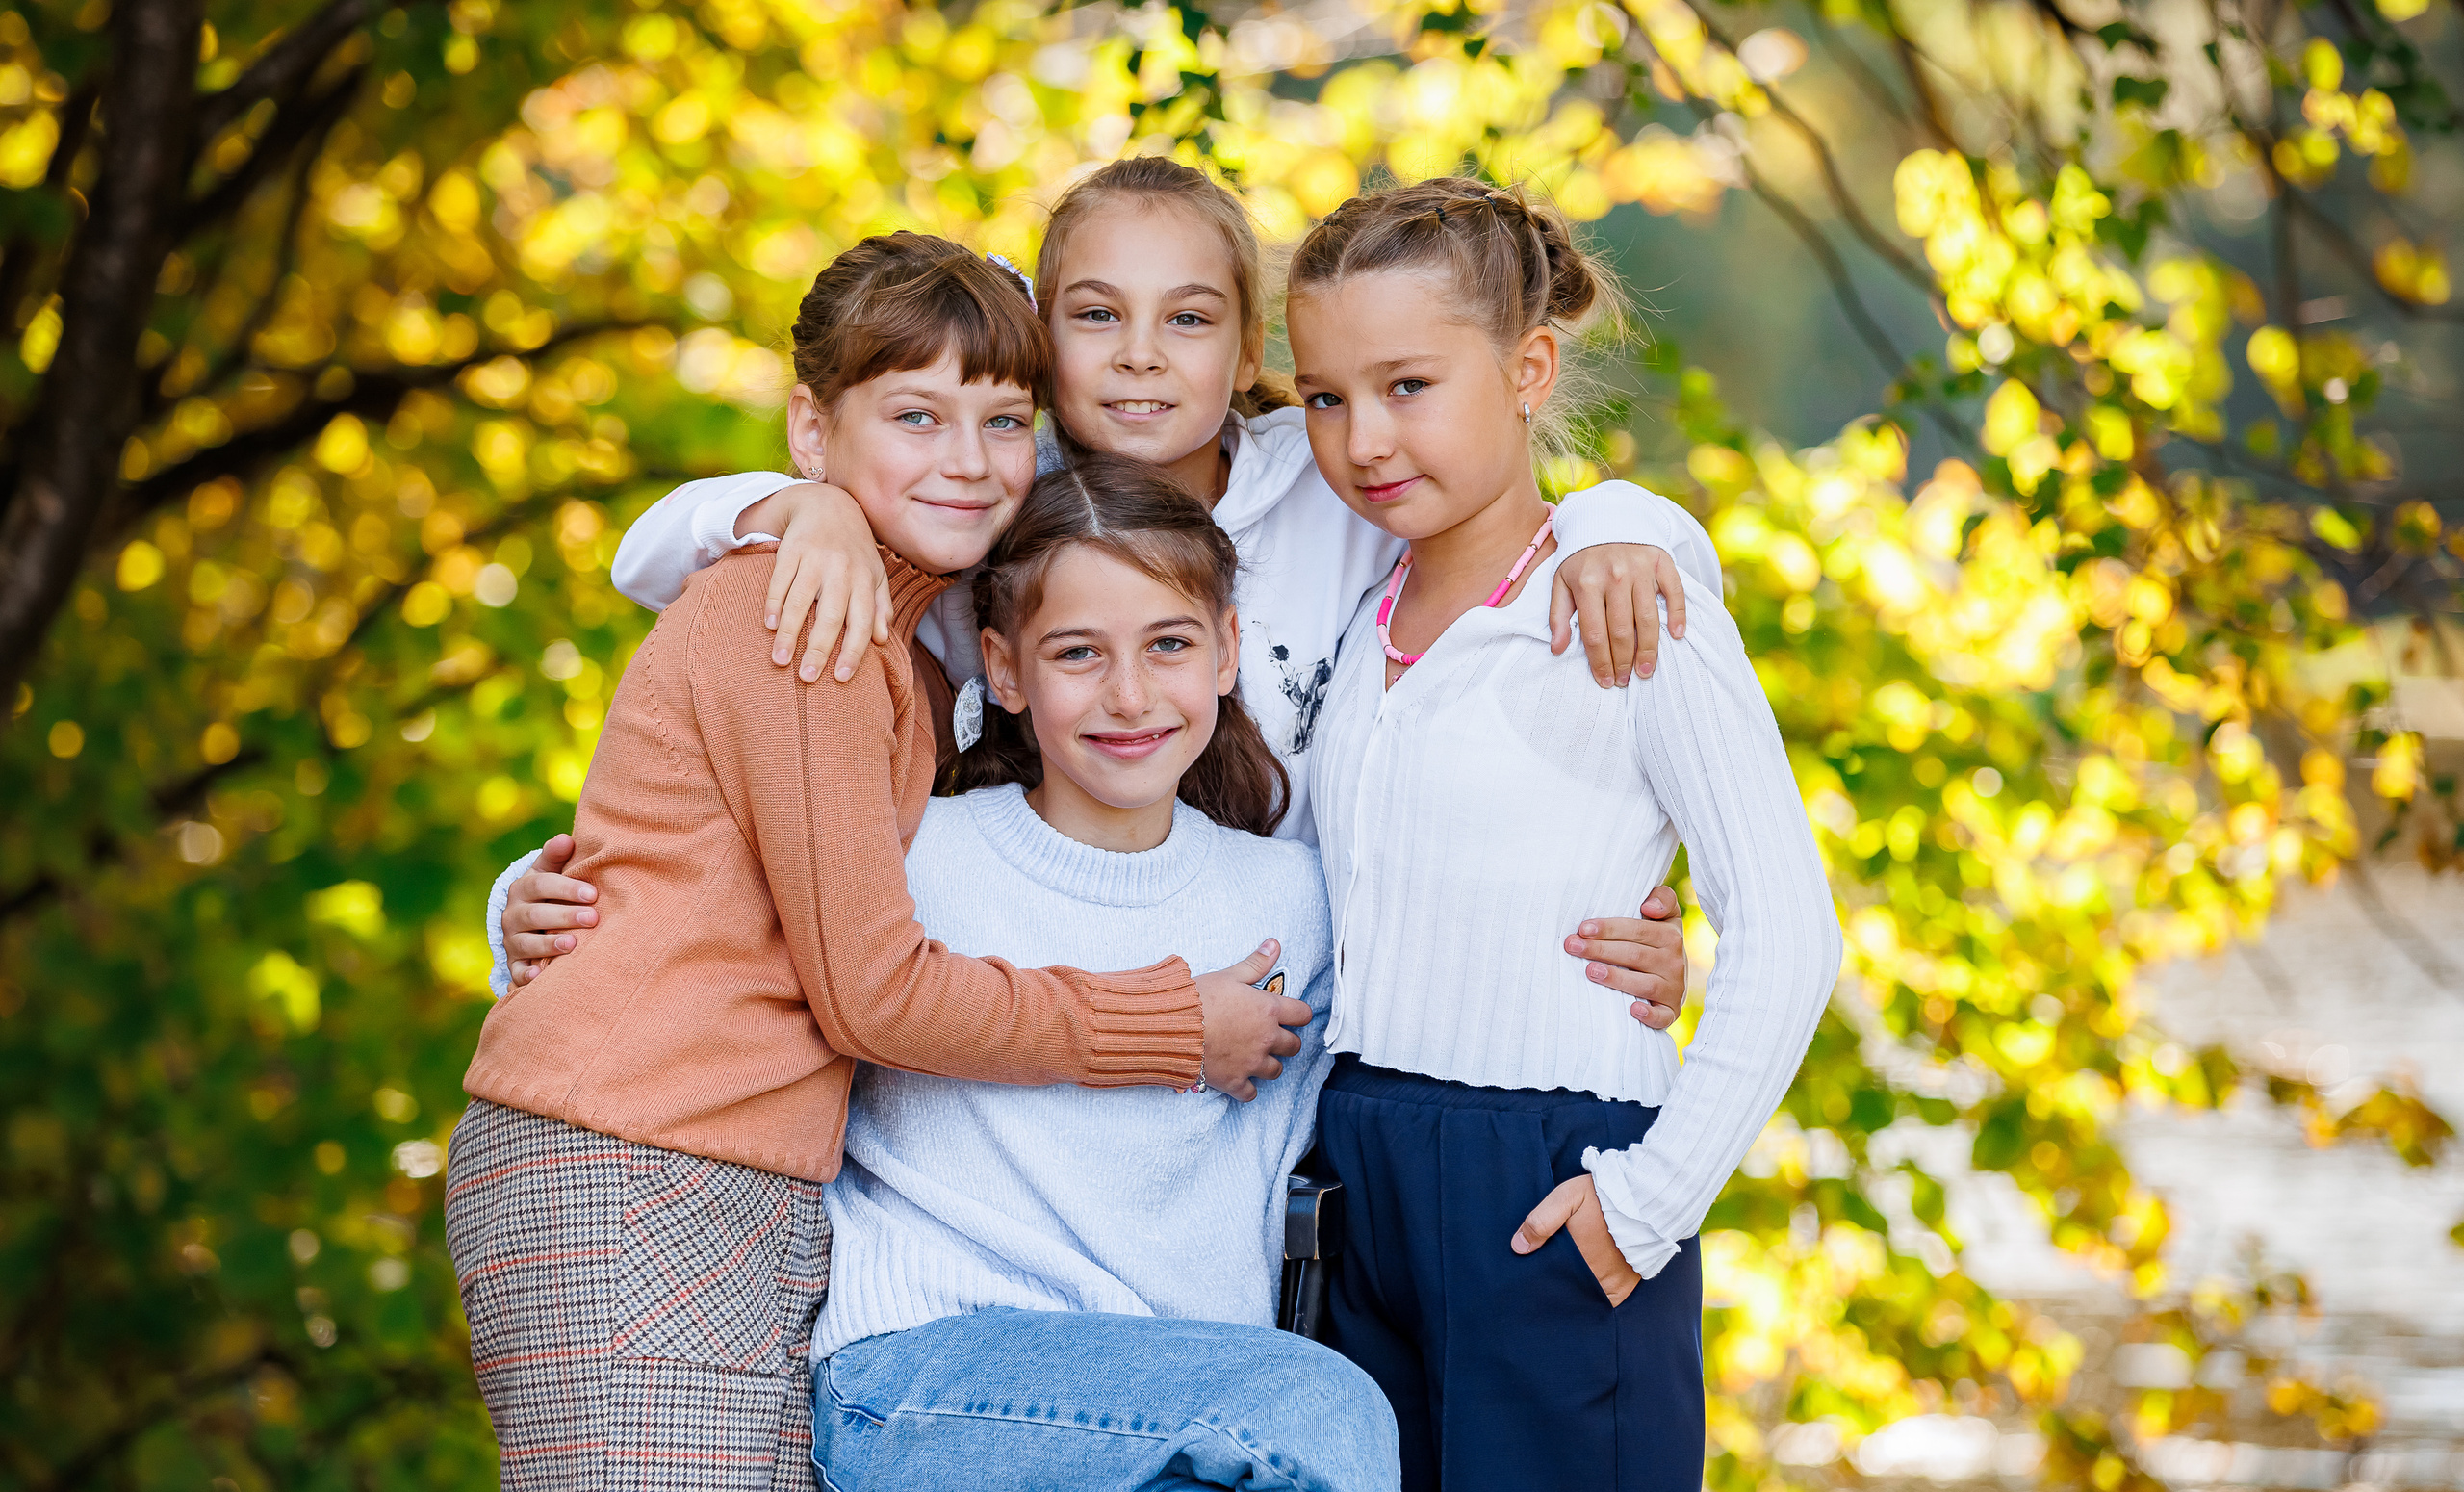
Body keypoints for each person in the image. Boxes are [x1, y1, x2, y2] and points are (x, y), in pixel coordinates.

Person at [444, 234, 1310, 1492]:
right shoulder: (810, 618)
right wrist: (1173, 1023)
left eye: (1004, 421)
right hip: (629, 1163)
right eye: (916, 416)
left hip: (751, 1193)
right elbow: (873, 991)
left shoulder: (908, 651)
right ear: (811, 428)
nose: (969, 458)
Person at [496, 157, 1699, 1025]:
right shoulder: (996, 505)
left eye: (1187, 319)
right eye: (1093, 317)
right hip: (1038, 971)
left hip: (1323, 987)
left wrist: (1616, 516)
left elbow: (1491, 509)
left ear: (1245, 356)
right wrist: (791, 507)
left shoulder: (1329, 485)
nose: (1137, 354)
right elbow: (664, 577)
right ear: (1040, 340)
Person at [1284, 177, 1842, 1492]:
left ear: (1529, 372)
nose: (1364, 438)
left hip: (1548, 1184)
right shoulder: (1358, 608)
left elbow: (1786, 927)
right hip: (1356, 1171)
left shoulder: (1628, 604)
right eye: (1328, 396)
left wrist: (1649, 1200)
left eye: (1410, 385)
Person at [813, 452, 1420, 1492]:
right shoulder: (917, 855)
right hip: (919, 1409)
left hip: (1177, 1433)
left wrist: (1639, 943)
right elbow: (686, 909)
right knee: (1324, 1408)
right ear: (1003, 669)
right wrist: (522, 905)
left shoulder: (1293, 900)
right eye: (1079, 652)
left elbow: (1467, 971)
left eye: (1169, 645)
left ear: (1229, 651)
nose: (1131, 694)